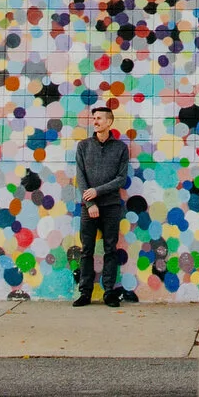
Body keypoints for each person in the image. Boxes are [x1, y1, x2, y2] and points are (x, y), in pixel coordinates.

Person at [72, 102, 133, 306]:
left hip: (111, 206)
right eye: (94, 118)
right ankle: (85, 292)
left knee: (110, 249)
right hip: (89, 207)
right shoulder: (83, 146)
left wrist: (97, 191)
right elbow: (81, 177)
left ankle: (108, 292)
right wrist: (91, 204)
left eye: (99, 118)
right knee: (86, 250)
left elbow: (120, 179)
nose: (95, 122)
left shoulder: (120, 148)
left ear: (109, 122)